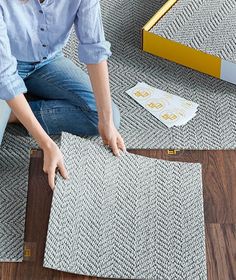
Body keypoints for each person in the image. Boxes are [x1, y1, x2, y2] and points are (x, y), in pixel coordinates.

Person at [0, 0, 126, 189]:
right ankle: (15, 108)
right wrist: (46, 143)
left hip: (47, 62)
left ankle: (15, 114)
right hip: (5, 66)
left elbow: (94, 47)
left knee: (108, 117)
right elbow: (5, 76)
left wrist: (106, 120)